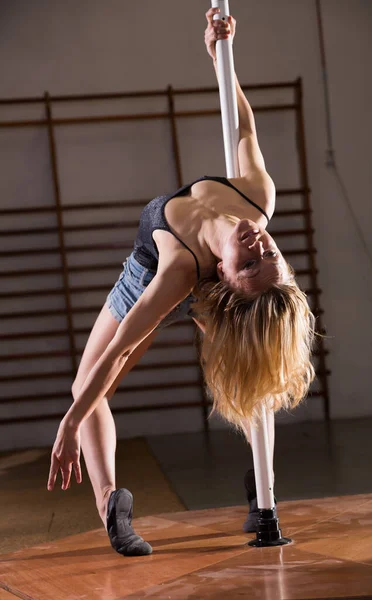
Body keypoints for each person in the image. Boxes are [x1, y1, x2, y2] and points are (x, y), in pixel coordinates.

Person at [47, 8, 315, 556]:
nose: (259, 243)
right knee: (91, 388)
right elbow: (242, 126)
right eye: (270, 252)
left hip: (148, 277)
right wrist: (221, 59)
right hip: (159, 281)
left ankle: (262, 494)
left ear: (224, 273)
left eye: (250, 261)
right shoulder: (257, 201)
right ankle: (113, 507)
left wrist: (69, 423)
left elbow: (121, 350)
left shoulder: (178, 271)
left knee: (92, 389)